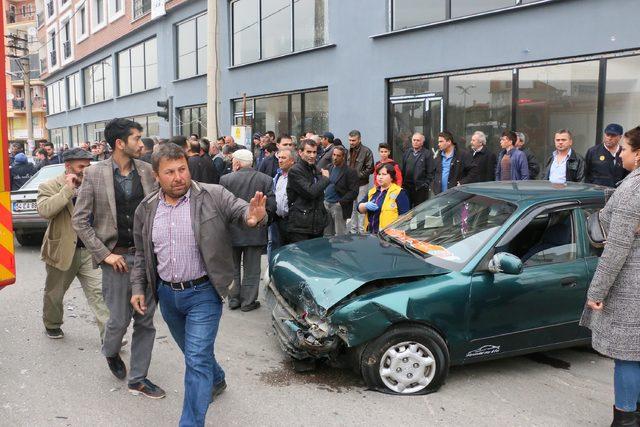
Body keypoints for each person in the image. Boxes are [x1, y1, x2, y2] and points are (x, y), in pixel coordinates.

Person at [130, 143, 267, 427]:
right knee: (195, 353)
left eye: (182, 169)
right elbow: (142, 255)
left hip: (204, 293)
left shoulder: (212, 195)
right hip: (167, 295)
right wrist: (137, 288)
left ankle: (190, 423)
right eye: (170, 172)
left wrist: (253, 216)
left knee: (195, 358)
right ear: (157, 175)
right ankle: (216, 378)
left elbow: (241, 209)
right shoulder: (146, 209)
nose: (179, 176)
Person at [72, 118, 164, 398]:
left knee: (145, 321)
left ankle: (138, 378)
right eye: (137, 138)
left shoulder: (149, 171)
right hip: (117, 261)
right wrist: (105, 255)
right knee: (119, 320)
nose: (141, 142)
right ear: (120, 143)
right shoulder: (95, 174)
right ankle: (111, 351)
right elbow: (80, 221)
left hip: (146, 258)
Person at [580, 126, 640, 427]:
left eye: (626, 150)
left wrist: (596, 293)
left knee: (628, 354)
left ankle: (625, 418)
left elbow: (616, 250)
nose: (622, 156)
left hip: (632, 284)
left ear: (638, 155)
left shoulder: (632, 190)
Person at [37, 148, 110, 340]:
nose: (85, 170)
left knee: (100, 293)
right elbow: (45, 210)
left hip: (90, 251)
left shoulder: (95, 183)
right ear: (68, 166)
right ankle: (52, 324)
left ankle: (110, 335)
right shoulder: (50, 185)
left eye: (88, 166)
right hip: (62, 250)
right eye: (81, 166)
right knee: (55, 294)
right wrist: (67, 190)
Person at [220, 149, 275, 312]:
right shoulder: (266, 179)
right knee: (252, 269)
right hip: (255, 231)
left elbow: (221, 206)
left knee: (233, 267)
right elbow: (272, 205)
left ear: (236, 163)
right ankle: (248, 301)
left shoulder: (225, 179)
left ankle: (234, 299)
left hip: (231, 231)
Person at [287, 139, 330, 242]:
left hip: (316, 225)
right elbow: (310, 192)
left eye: (314, 152)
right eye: (309, 152)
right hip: (301, 226)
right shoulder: (295, 170)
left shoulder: (315, 169)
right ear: (300, 152)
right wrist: (325, 179)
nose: (312, 155)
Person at [358, 164, 410, 234]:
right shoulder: (372, 191)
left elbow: (405, 217)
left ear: (391, 177)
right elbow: (358, 208)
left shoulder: (399, 192)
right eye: (379, 174)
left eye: (384, 174)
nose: (380, 177)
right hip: (370, 234)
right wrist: (365, 205)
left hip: (388, 237)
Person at [323, 146, 359, 236]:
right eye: (334, 155)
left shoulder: (350, 171)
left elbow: (354, 192)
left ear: (343, 157)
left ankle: (340, 250)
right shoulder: (329, 167)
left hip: (338, 206)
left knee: (340, 235)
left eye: (338, 156)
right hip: (326, 204)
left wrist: (340, 202)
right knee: (327, 234)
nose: (335, 157)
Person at [347, 130, 374, 234]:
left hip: (361, 184)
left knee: (361, 208)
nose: (351, 142)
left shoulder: (366, 151)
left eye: (353, 140)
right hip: (351, 185)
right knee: (353, 208)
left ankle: (362, 232)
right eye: (350, 140)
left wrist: (356, 176)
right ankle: (353, 231)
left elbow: (370, 168)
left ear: (359, 139)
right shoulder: (348, 151)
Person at [432, 131, 475, 195]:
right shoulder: (438, 156)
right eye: (438, 142)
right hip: (440, 195)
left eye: (441, 141)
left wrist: (462, 183)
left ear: (449, 142)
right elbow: (433, 173)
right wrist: (434, 186)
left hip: (456, 195)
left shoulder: (463, 155)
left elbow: (473, 171)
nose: (438, 144)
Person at [270, 148, 295, 254]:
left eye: (284, 158)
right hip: (278, 221)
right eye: (279, 158)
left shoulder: (295, 177)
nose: (280, 160)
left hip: (291, 222)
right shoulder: (278, 177)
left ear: (292, 161)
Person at [400, 132, 433, 207]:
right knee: (407, 210)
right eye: (414, 140)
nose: (415, 142)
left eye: (418, 140)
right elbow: (403, 169)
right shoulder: (407, 152)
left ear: (422, 142)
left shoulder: (427, 154)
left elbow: (430, 172)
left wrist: (425, 184)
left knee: (419, 211)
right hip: (407, 187)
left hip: (420, 189)